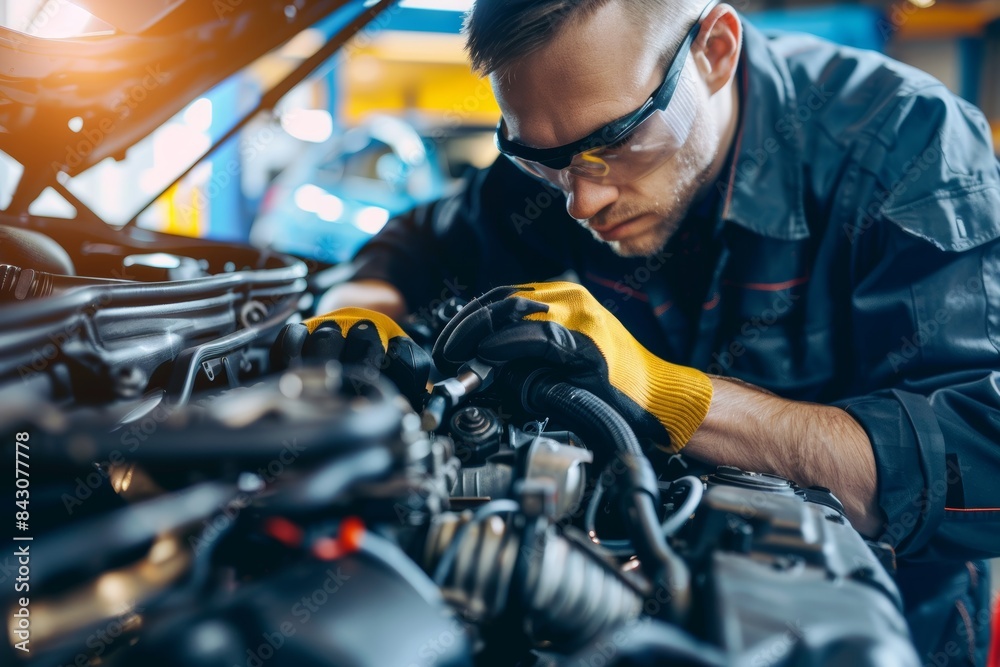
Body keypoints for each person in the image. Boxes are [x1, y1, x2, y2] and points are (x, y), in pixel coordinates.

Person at [275, 0, 1000, 662]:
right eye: (544, 159)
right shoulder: (556, 159)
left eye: (616, 142)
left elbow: (983, 454)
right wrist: (358, 301)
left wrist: (673, 395)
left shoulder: (905, 147)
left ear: (714, 50)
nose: (581, 200)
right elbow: (420, 240)